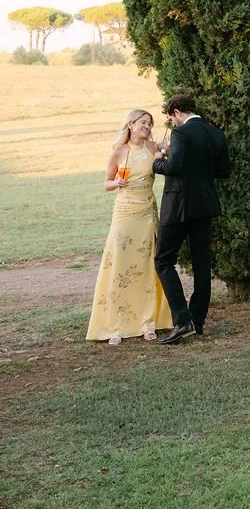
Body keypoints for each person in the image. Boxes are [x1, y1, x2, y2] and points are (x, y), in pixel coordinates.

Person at [86, 108, 173, 346]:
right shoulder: (118, 151)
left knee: (147, 264)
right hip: (125, 212)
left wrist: (166, 152)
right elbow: (106, 183)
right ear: (131, 125)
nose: (147, 126)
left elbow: (168, 164)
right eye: (143, 122)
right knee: (121, 264)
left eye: (149, 123)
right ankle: (117, 324)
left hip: (147, 211)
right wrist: (116, 182)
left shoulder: (153, 148)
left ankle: (148, 322)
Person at [152, 94, 231, 345]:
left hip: (178, 206)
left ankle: (182, 318)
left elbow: (173, 168)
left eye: (170, 118)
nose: (172, 124)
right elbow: (224, 171)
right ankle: (197, 321)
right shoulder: (215, 133)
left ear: (176, 112)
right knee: (201, 266)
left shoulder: (181, 134)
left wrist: (157, 161)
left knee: (163, 260)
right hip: (205, 206)